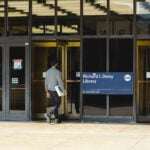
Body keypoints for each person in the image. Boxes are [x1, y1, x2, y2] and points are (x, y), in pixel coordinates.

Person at [44, 59, 66, 123]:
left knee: (54, 104)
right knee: (57, 103)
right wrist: (63, 90)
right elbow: (60, 82)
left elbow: (45, 82)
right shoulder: (57, 72)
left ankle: (56, 119)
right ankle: (49, 113)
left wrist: (47, 91)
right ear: (56, 64)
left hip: (49, 90)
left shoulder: (47, 71)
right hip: (56, 91)